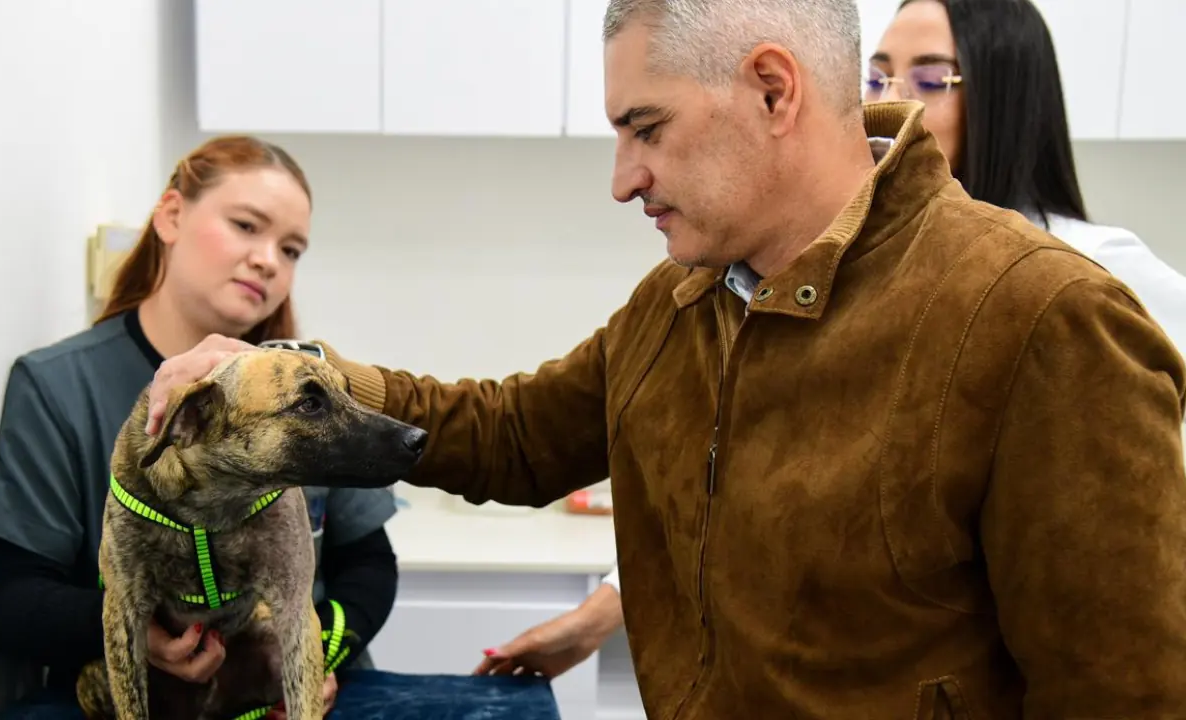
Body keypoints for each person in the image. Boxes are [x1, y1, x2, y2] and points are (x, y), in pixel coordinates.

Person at [143, 0, 1186, 716]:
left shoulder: (1037, 316)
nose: (621, 177)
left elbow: (1122, 695)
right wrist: (291, 377)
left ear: (772, 91)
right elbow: (512, 434)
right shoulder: (681, 303)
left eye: (644, 127)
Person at [483, 0, 1186, 681]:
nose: (894, 98)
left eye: (932, 78)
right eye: (878, 75)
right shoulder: (784, 276)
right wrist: (609, 608)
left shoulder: (1074, 289)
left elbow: (1115, 634)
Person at [0, 136, 400, 720]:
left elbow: (371, 566)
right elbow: (14, 600)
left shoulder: (309, 389)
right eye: (247, 226)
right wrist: (142, 639)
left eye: (292, 249)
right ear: (172, 215)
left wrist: (320, 655)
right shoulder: (58, 387)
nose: (269, 260)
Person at [866, 0, 1186, 355]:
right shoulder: (884, 255)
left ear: (1005, 101)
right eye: (876, 79)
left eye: (930, 81)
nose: (887, 102)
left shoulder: (1091, 262)